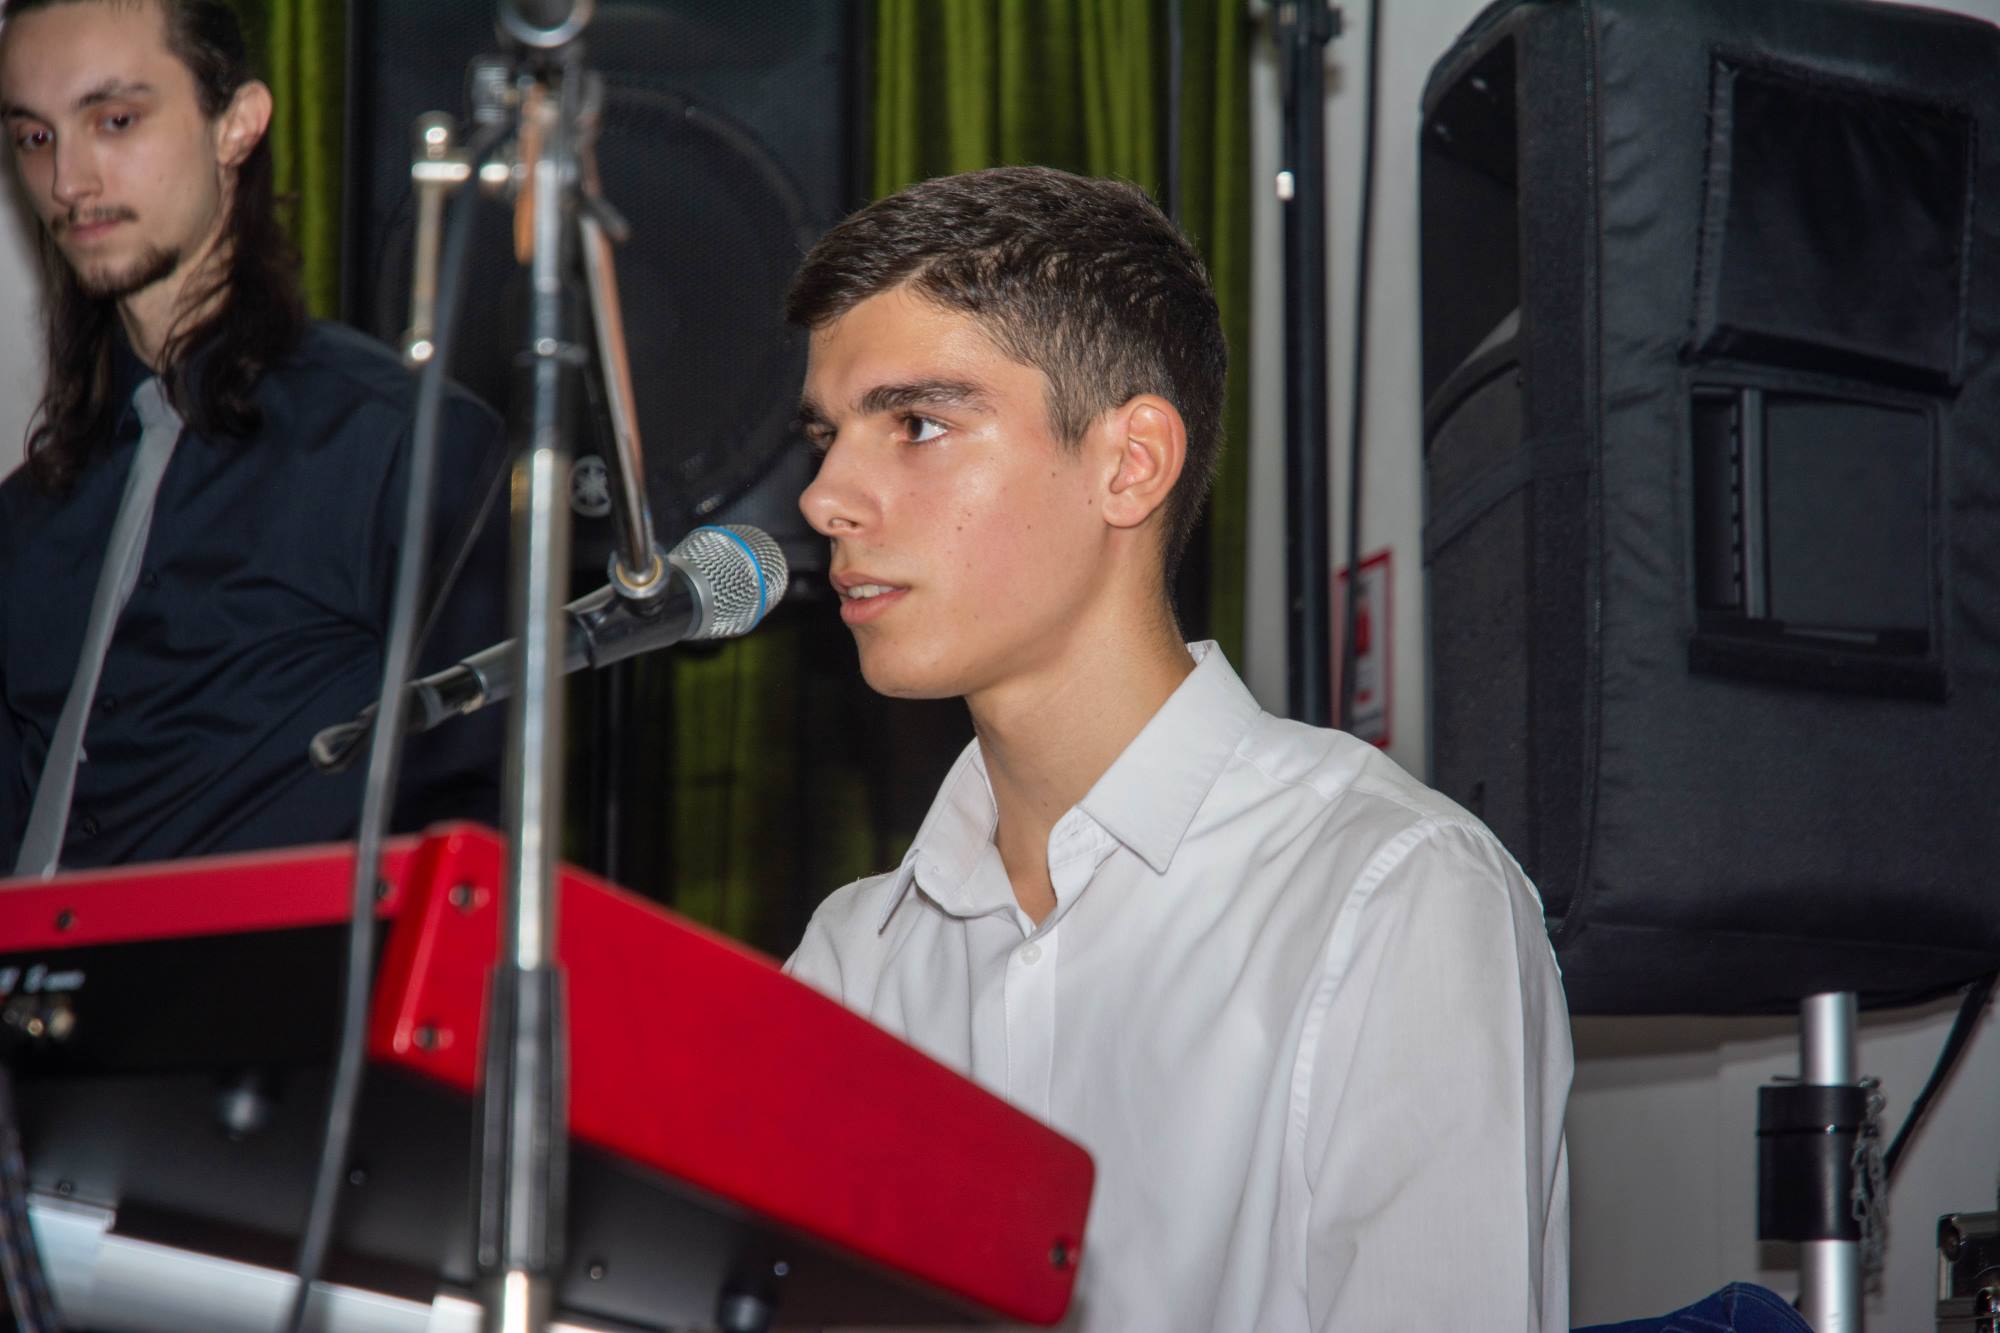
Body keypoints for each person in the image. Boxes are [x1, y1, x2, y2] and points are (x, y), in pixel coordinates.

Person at [783, 166, 1571, 1332]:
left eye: (916, 424)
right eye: (826, 435)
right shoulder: (855, 957)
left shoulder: (1389, 893)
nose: (825, 497)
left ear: (1129, 464)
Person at [0, 0, 506, 875]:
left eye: (115, 120)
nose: (69, 180)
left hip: (278, 960)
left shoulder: (402, 447)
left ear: (236, 124)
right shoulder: (30, 512)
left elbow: (470, 844)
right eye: (34, 138)